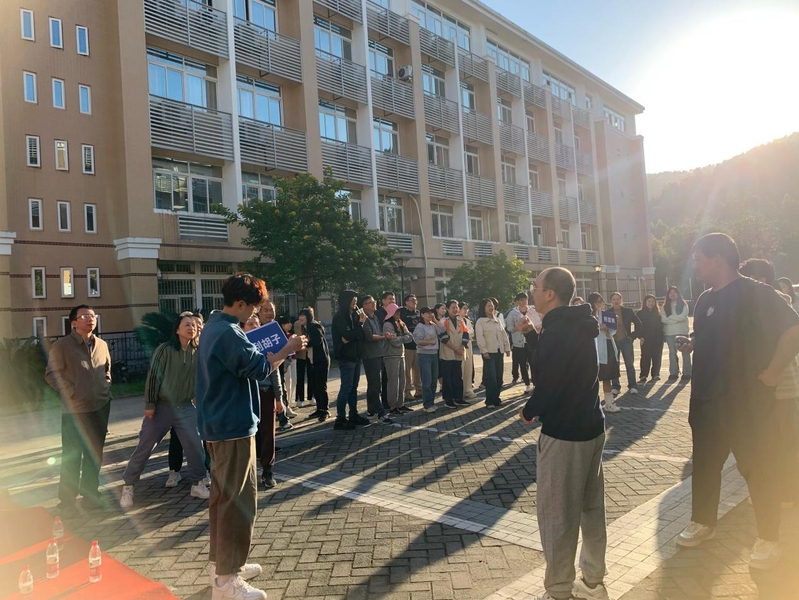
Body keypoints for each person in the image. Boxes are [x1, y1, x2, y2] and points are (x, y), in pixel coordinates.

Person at [675, 234, 799, 571]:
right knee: (705, 465)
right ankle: (703, 522)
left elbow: (793, 329)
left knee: (758, 469)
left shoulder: (757, 293)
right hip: (706, 401)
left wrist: (774, 371)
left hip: (748, 403)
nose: (696, 266)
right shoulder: (704, 299)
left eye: (699, 259)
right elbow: (711, 336)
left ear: (718, 259)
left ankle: (769, 538)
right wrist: (694, 343)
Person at [196, 273, 305, 599]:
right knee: (238, 502)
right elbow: (259, 368)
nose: (255, 313)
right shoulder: (229, 332)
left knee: (222, 500)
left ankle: (222, 566)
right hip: (233, 426)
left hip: (218, 425)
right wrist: (288, 348)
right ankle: (227, 581)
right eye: (254, 307)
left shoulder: (214, 325)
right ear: (240, 303)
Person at [519, 268, 608, 600]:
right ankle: (593, 581)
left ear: (550, 294)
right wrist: (533, 337)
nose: (532, 292)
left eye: (536, 287)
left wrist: (529, 409)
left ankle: (558, 589)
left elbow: (550, 382)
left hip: (565, 432)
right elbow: (559, 366)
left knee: (557, 514)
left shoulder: (557, 330)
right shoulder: (578, 323)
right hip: (591, 424)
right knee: (590, 508)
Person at [120, 312, 210, 509]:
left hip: (185, 406)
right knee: (145, 447)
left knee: (195, 445)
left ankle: (197, 483)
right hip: (161, 407)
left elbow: (202, 377)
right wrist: (150, 404)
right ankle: (128, 486)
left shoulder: (198, 351)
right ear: (177, 329)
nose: (192, 328)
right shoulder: (165, 349)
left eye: (194, 325)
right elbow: (154, 376)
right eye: (187, 325)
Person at [45, 305, 111, 512]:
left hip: (100, 406)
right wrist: (71, 392)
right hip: (75, 411)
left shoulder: (101, 344)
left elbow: (107, 370)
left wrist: (106, 388)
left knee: (94, 454)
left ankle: (91, 496)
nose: (90, 319)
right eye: (85, 316)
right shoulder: (62, 345)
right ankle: (67, 501)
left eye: (92, 315)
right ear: (74, 323)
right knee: (72, 456)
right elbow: (51, 374)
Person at [167, 312, 210, 486]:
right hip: (183, 402)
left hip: (203, 399)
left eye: (198, 324)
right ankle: (174, 471)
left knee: (204, 437)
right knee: (177, 437)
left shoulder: (204, 347)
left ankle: (205, 471)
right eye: (191, 324)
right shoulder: (179, 349)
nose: (195, 327)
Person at [245, 314, 283, 490]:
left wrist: (279, 398)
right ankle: (249, 471)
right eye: (249, 324)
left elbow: (275, 372)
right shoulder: (239, 345)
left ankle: (267, 470)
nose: (253, 326)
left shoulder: (266, 343)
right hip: (246, 394)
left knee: (268, 433)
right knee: (248, 434)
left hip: (266, 392)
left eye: (256, 324)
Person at [331, 290, 369, 431]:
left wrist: (355, 331)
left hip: (356, 354)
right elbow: (347, 335)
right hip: (346, 356)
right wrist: (359, 326)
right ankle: (340, 418)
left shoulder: (354, 315)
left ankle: (353, 414)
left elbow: (358, 335)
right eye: (353, 301)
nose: (355, 303)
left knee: (354, 387)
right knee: (346, 387)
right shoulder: (340, 316)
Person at [360, 295, 393, 424]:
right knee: (375, 385)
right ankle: (380, 413)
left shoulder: (375, 317)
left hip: (379, 353)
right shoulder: (364, 318)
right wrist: (383, 337)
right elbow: (368, 336)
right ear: (364, 305)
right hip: (370, 355)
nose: (374, 304)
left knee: (375, 384)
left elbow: (378, 333)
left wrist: (383, 335)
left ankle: (371, 411)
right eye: (370, 302)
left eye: (374, 302)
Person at [587, 293, 621, 414]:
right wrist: (598, 328)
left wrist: (610, 326)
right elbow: (588, 333)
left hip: (608, 347)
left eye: (601, 301)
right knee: (593, 379)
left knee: (607, 377)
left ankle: (609, 403)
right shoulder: (589, 318)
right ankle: (591, 404)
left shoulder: (604, 315)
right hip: (596, 350)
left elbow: (611, 332)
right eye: (597, 302)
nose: (600, 304)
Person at [475, 298, 511, 408]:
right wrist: (484, 351)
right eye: (488, 306)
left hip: (499, 352)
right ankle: (489, 401)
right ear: (483, 308)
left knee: (499, 377)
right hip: (489, 353)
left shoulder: (497, 320)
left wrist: (507, 348)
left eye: (492, 306)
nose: (491, 308)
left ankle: (497, 399)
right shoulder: (480, 321)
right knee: (491, 378)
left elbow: (504, 335)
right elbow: (480, 337)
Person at [298, 307, 330, 422]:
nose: (300, 318)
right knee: (315, 386)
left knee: (321, 386)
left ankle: (325, 410)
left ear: (309, 316)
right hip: (312, 361)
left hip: (321, 360)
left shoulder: (315, 327)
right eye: (300, 315)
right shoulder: (306, 328)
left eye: (303, 315)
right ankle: (319, 409)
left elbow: (317, 341)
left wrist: (303, 344)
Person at [383, 303, 414, 415]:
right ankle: (392, 406)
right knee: (393, 382)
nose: (399, 313)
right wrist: (404, 338)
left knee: (402, 381)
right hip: (391, 355)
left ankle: (400, 404)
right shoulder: (387, 324)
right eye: (396, 311)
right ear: (391, 313)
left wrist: (402, 338)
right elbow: (394, 341)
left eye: (399, 311)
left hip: (401, 354)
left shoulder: (401, 323)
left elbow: (410, 337)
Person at [608, 292, 642, 395]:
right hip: (613, 341)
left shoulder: (628, 311)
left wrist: (633, 335)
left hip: (626, 341)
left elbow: (638, 323)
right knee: (614, 364)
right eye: (614, 299)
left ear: (621, 300)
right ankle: (615, 386)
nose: (616, 301)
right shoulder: (607, 313)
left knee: (629, 364)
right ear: (611, 301)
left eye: (618, 299)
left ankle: (632, 386)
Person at [439, 299, 469, 408]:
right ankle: (448, 400)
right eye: (453, 307)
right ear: (447, 309)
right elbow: (443, 337)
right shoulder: (443, 321)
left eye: (456, 307)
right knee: (447, 377)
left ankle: (458, 398)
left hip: (459, 352)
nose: (455, 309)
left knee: (458, 376)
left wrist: (462, 346)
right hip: (447, 353)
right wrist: (455, 348)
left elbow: (466, 334)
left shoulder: (461, 321)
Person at [413, 306, 444, 413]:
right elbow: (418, 341)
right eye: (427, 313)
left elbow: (443, 329)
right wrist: (430, 342)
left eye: (431, 313)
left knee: (434, 380)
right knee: (427, 381)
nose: (430, 315)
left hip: (434, 354)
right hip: (424, 355)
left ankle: (431, 402)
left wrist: (435, 319)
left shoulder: (433, 325)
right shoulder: (420, 326)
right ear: (422, 314)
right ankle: (427, 405)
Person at [506, 292, 535, 393]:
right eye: (521, 300)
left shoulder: (532, 311)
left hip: (531, 342)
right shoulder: (512, 313)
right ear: (517, 301)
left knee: (533, 363)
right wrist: (517, 327)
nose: (524, 302)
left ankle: (535, 383)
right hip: (519, 342)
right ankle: (527, 384)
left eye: (525, 299)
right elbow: (509, 328)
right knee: (522, 364)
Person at [661, 286, 691, 382]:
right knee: (672, 353)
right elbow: (663, 319)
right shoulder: (665, 307)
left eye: (674, 292)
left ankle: (687, 372)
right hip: (669, 333)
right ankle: (673, 373)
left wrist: (670, 318)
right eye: (670, 293)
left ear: (678, 294)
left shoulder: (683, 305)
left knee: (685, 352)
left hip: (682, 332)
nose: (672, 294)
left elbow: (683, 317)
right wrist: (675, 320)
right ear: (668, 295)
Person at [399, 294, 423, 402]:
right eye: (412, 300)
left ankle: (419, 390)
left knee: (418, 371)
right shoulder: (403, 314)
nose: (414, 302)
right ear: (406, 302)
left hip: (418, 346)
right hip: (407, 346)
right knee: (406, 372)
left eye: (415, 300)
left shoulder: (419, 314)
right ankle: (407, 392)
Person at [636, 294, 664, 385]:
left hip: (657, 339)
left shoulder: (659, 313)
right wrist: (640, 336)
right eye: (649, 301)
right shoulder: (640, 313)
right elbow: (638, 327)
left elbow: (662, 326)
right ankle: (643, 375)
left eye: (653, 301)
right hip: (645, 339)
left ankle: (655, 374)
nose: (651, 303)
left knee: (657, 356)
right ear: (645, 302)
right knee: (645, 356)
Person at [293, 314, 314, 408]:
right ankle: (299, 398)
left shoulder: (313, 324)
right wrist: (304, 346)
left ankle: (311, 397)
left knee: (311, 376)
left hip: (310, 353)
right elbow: (298, 336)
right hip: (300, 353)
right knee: (300, 377)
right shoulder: (297, 324)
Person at [459, 302, 477, 399]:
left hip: (468, 346)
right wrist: (466, 333)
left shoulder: (467, 320)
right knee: (461, 369)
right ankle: (460, 390)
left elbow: (472, 333)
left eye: (467, 308)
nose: (466, 310)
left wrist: (466, 333)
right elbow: (461, 333)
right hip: (460, 345)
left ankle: (468, 389)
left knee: (468, 369)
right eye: (464, 308)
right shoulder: (456, 320)